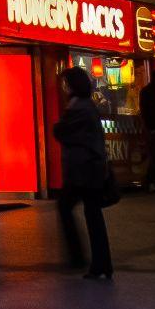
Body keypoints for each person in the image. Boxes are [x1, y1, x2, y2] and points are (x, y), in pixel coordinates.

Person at [52, 67, 112, 281]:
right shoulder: (88, 106)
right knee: (92, 213)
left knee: (69, 207)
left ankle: (83, 258)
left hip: (82, 170)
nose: (63, 87)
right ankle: (101, 263)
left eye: (65, 83)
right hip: (91, 168)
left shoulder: (78, 108)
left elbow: (61, 131)